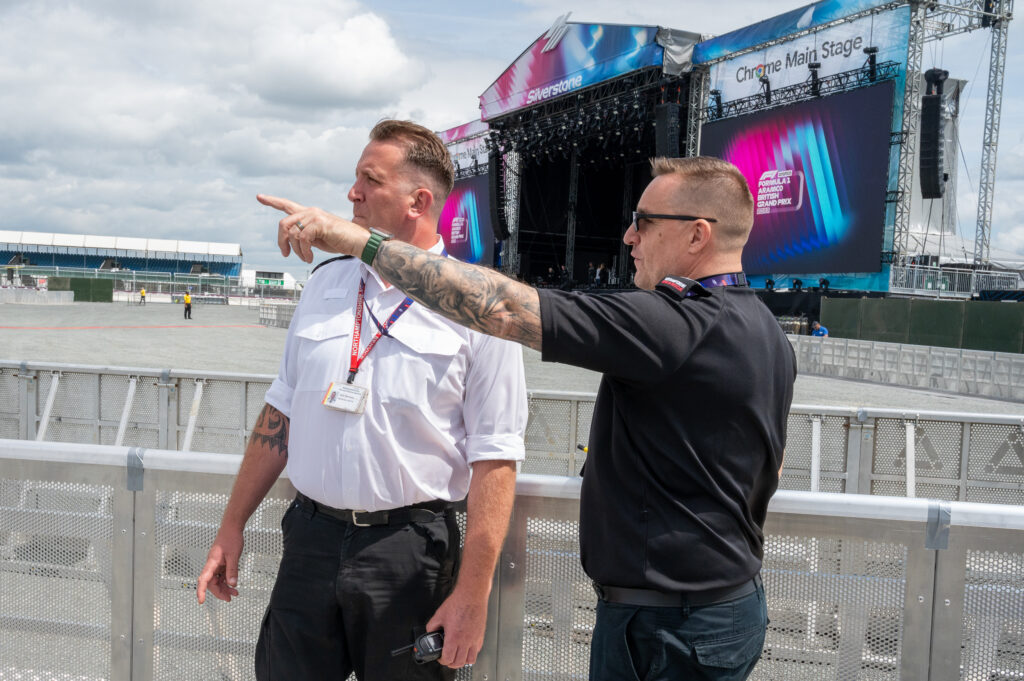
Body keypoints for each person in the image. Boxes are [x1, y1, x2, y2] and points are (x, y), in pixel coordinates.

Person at [258, 155, 796, 680]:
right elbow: (769, 467)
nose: (629, 238)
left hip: (666, 627)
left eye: (643, 222)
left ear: (698, 235)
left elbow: (506, 309)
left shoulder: (673, 324)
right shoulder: (766, 333)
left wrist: (360, 242)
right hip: (728, 605)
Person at [197, 119, 528, 681]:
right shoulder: (325, 284)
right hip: (310, 541)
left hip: (411, 556)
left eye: (368, 180)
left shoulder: (479, 305)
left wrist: (474, 592)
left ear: (418, 201)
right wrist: (231, 526)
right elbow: (281, 413)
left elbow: (496, 457)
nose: (350, 194)